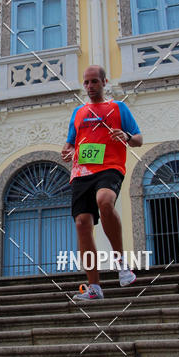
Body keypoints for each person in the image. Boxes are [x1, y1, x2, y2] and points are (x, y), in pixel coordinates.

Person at [61, 65, 143, 300]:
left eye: (94, 82)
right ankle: (94, 287)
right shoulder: (78, 112)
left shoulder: (118, 107)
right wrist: (66, 151)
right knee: (82, 224)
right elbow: (70, 143)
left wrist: (126, 136)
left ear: (104, 82)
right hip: (81, 172)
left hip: (110, 166)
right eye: (86, 83)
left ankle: (121, 263)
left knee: (105, 201)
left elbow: (138, 138)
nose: (89, 87)